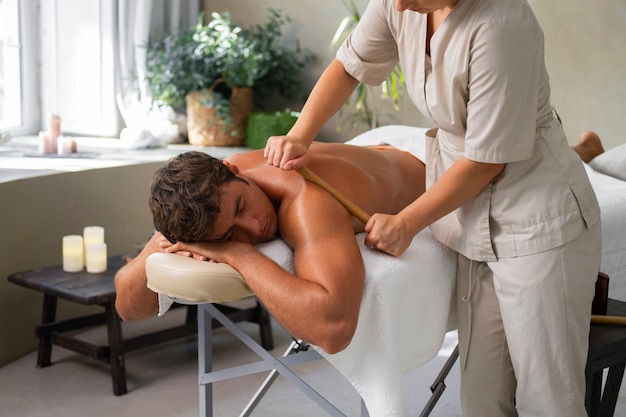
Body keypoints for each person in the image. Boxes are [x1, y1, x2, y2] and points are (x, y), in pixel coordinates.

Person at [262, 1, 602, 416]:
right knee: (481, 400)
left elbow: (486, 160)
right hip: (472, 218)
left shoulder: (502, 25)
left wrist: (407, 223)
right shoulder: (398, 1)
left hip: (536, 220)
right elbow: (351, 64)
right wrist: (300, 135)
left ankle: (590, 151)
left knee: (547, 400)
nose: (401, 4)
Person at [115, 141, 426, 354]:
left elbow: (335, 330)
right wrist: (158, 246)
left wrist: (238, 253)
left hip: (427, 165)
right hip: (377, 152)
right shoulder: (207, 195)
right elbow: (126, 308)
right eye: (228, 234)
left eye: (241, 206)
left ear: (234, 170)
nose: (252, 227)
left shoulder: (307, 201)